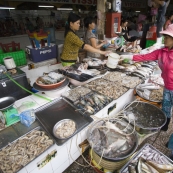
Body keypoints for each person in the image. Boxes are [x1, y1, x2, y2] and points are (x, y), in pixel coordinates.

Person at [120, 24, 173, 131]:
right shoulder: (161, 52)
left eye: (167, 37)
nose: (165, 39)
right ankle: (164, 127)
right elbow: (144, 57)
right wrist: (127, 56)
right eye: (165, 36)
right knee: (166, 108)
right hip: (167, 86)